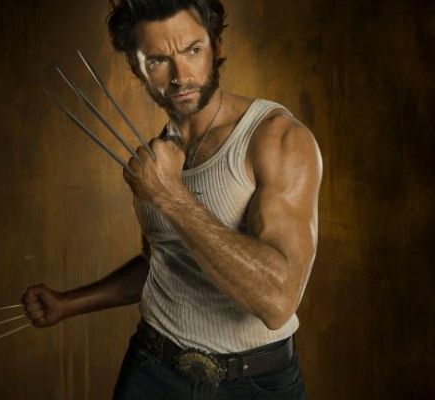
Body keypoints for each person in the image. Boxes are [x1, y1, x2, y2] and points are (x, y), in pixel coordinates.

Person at [23, 0, 322, 398]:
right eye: (159, 60)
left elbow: (277, 301)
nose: (181, 77)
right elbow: (164, 262)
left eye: (193, 50)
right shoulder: (158, 158)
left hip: (254, 383)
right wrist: (68, 303)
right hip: (153, 369)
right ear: (137, 68)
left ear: (216, 46)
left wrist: (172, 197)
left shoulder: (275, 138)